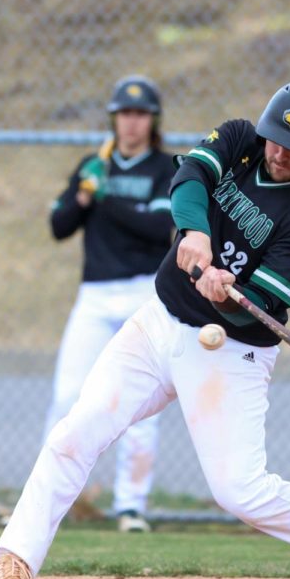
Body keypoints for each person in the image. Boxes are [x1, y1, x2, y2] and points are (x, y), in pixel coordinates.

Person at [0, 79, 290, 579]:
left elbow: (266, 308)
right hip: (159, 320)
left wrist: (228, 293)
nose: (277, 152)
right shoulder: (241, 139)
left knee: (241, 492)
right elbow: (190, 176)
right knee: (77, 431)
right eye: (275, 138)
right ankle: (15, 559)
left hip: (232, 351)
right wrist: (196, 231)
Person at [44, 75, 176, 533]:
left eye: (139, 114)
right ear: (113, 119)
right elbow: (59, 227)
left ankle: (130, 506)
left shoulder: (165, 167)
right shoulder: (93, 165)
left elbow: (160, 228)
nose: (131, 122)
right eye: (123, 113)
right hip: (95, 295)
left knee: (136, 403)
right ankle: (48, 502)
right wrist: (82, 195)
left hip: (145, 292)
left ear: (152, 120)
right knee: (67, 395)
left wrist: (105, 198)